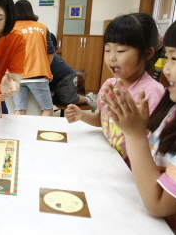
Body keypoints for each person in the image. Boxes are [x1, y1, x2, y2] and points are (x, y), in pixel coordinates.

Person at [101, 4, 176, 234]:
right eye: (166, 57)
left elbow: (158, 205)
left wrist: (134, 133)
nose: (164, 69)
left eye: (175, 59)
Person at [65, 12, 165, 168]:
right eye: (107, 50)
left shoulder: (151, 92)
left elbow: (152, 143)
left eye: (120, 51)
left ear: (147, 53)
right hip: (108, 162)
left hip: (131, 171)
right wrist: (82, 115)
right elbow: (104, 120)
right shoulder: (109, 85)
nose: (111, 57)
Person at [12, 0, 54, 116]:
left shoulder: (10, 29)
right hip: (38, 75)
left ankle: (17, 134)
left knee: (20, 109)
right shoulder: (42, 28)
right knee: (47, 109)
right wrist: (45, 67)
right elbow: (51, 51)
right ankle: (43, 133)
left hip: (17, 76)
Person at [49, 33, 96, 110]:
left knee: (68, 100)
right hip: (55, 79)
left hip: (66, 76)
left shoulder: (49, 55)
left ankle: (89, 99)